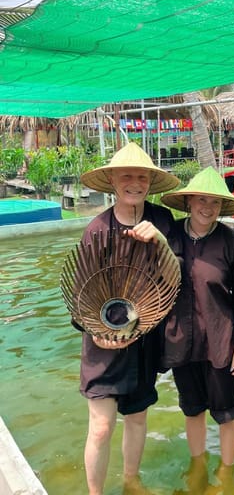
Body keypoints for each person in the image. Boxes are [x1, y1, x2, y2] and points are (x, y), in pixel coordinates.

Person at [74, 142, 180, 495]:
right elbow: (79, 299)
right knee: (101, 427)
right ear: (113, 181)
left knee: (137, 416)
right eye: (127, 176)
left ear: (150, 181)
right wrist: (96, 332)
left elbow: (176, 276)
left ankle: (131, 480)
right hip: (102, 343)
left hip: (144, 337)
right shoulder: (96, 230)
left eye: (141, 177)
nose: (134, 183)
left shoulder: (162, 219)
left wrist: (162, 241)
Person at [161, 166, 234, 488]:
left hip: (222, 342)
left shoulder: (230, 242)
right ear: (189, 202)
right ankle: (198, 463)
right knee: (192, 409)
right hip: (181, 340)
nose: (207, 207)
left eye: (214, 202)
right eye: (201, 200)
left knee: (227, 412)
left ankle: (227, 470)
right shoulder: (171, 236)